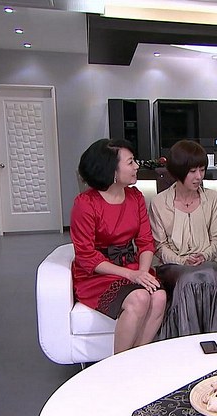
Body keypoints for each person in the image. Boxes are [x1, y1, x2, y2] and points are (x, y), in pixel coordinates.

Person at [70, 138, 167, 354]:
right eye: (130, 162)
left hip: (132, 267)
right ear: (112, 170)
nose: (137, 166)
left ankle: (136, 359)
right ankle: (118, 364)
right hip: (98, 273)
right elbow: (86, 255)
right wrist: (132, 276)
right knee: (139, 298)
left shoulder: (135, 197)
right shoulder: (85, 204)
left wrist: (142, 273)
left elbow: (145, 241)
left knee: (159, 297)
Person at [149, 140, 217, 339]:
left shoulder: (212, 198)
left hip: (207, 263)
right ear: (178, 171)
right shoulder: (159, 203)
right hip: (173, 266)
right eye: (192, 171)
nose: (199, 176)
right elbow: (159, 246)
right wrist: (182, 261)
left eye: (202, 170)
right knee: (190, 277)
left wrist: (203, 255)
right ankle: (188, 342)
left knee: (207, 273)